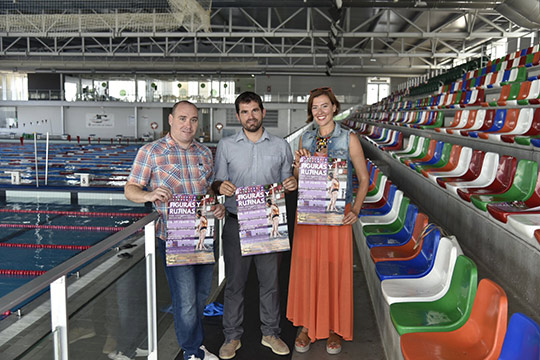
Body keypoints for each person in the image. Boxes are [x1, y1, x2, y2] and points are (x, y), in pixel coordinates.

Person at [124, 100, 225, 360]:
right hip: (173, 238)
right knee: (187, 300)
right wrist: (149, 194)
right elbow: (130, 189)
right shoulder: (151, 152)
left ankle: (196, 345)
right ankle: (191, 352)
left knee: (201, 296)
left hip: (203, 236)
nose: (188, 125)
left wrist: (215, 207)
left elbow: (208, 193)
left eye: (192, 120)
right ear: (170, 120)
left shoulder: (204, 153)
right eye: (182, 118)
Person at [211, 91, 298, 359]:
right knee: (235, 283)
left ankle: (271, 332)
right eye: (245, 112)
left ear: (263, 112)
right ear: (238, 116)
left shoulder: (280, 145)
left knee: (270, 283)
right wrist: (219, 186)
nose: (251, 116)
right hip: (236, 223)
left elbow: (286, 185)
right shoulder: (226, 146)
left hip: (269, 223)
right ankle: (231, 336)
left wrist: (292, 184)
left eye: (255, 110)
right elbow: (216, 183)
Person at [287, 87, 370, 355]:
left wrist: (355, 209)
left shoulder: (349, 138)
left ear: (334, 107)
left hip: (336, 214)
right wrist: (298, 166)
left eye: (325, 106)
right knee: (308, 268)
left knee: (335, 269)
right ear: (310, 112)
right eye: (315, 108)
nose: (320, 112)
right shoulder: (305, 139)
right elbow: (300, 181)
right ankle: (307, 326)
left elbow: (365, 179)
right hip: (310, 214)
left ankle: (334, 326)